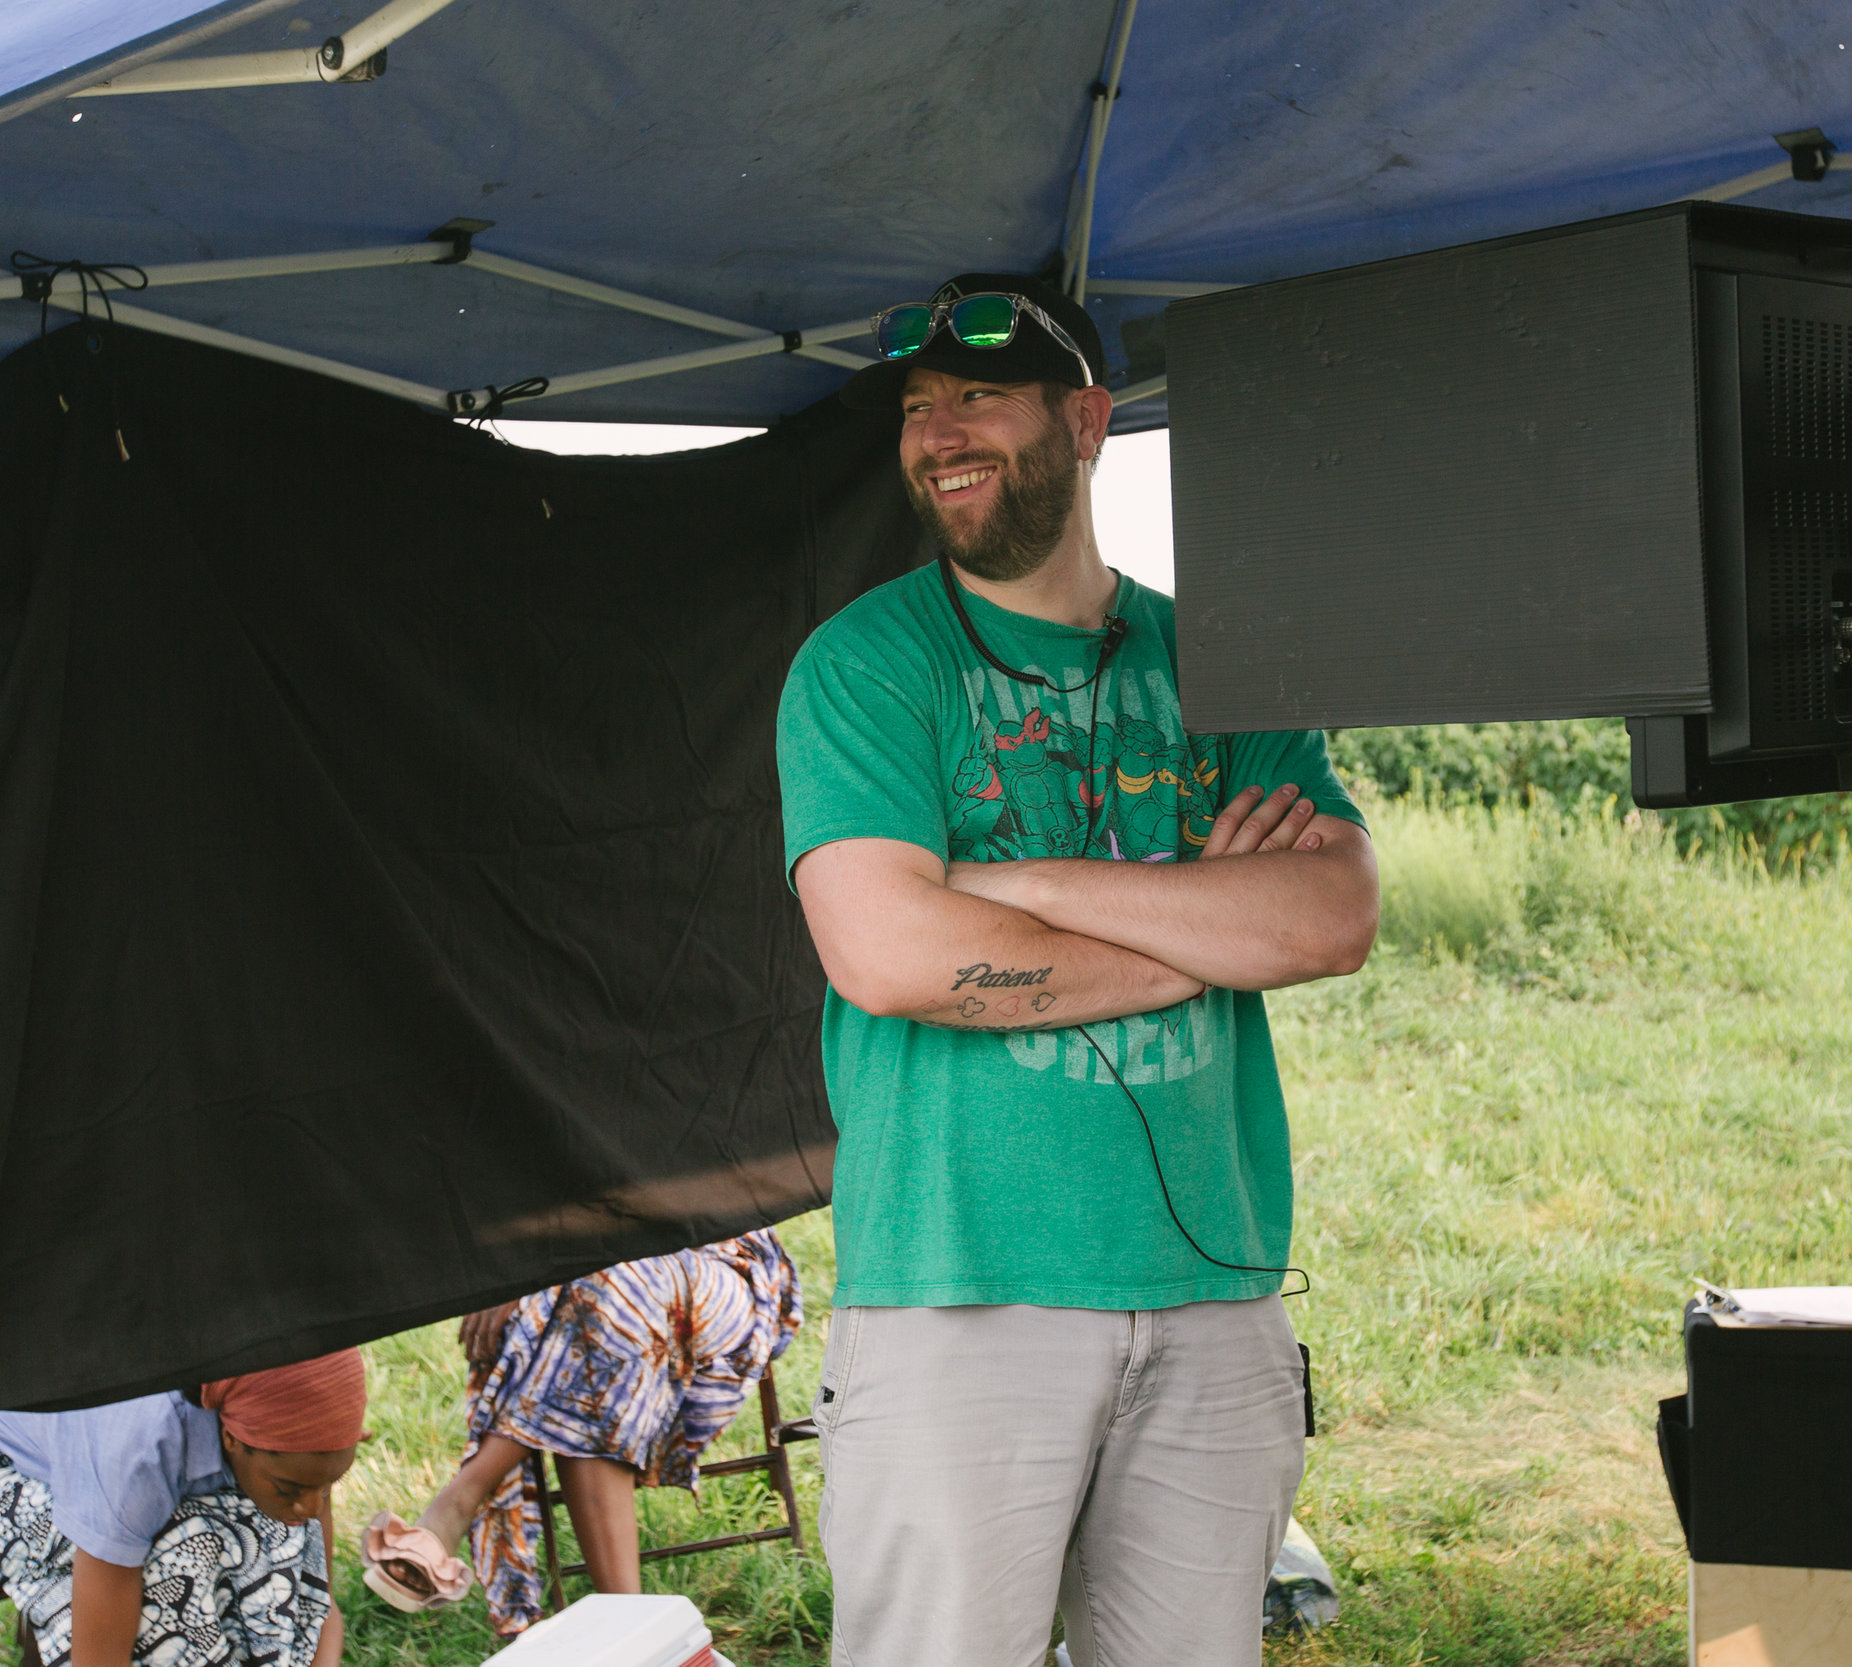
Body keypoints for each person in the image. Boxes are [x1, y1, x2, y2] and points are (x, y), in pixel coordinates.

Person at [776, 272, 1380, 1666]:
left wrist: (1015, 884)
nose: (937, 434)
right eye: (919, 407)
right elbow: (889, 952)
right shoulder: (865, 665)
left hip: (1215, 1294)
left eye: (977, 396)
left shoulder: (1217, 657)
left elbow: (1329, 917)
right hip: (957, 1299)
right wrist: (1197, 930)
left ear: (1088, 419)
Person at [361, 1229, 800, 1635]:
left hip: (720, 1260)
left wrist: (539, 1272)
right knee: (590, 1312)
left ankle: (461, 1498)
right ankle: (631, 1631)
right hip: (581, 1273)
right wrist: (516, 1275)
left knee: (607, 1291)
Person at [0, 1348, 366, 1667]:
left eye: (328, 1486)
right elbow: (99, 1657)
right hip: (21, 1474)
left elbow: (320, 1605)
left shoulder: (298, 1450)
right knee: (184, 1559)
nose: (310, 1506)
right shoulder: (140, 1448)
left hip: (120, 1483)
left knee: (280, 1532)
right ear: (231, 1438)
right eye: (290, 1489)